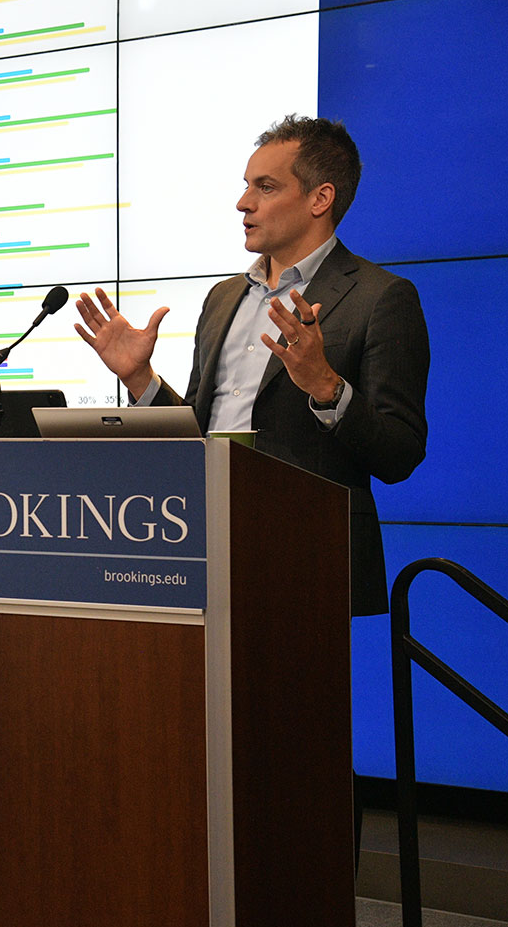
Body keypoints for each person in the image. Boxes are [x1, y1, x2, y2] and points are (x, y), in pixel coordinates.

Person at [74, 114, 429, 615]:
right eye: (246, 186)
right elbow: (200, 435)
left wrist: (327, 386)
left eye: (265, 187)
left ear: (320, 199)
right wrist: (139, 378)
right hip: (197, 550)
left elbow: (401, 454)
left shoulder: (380, 298)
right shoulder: (223, 298)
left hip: (306, 564)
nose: (244, 203)